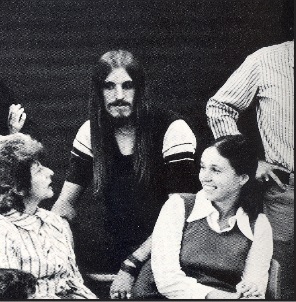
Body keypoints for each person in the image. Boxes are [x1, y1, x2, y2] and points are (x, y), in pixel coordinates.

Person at [51, 49, 198, 298]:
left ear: (139, 89)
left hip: (166, 251)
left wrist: (130, 266)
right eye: (109, 87)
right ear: (98, 92)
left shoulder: (173, 129)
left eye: (127, 86)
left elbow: (180, 216)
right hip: (114, 251)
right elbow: (64, 206)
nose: (119, 96)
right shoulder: (90, 132)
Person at [206, 41, 294, 298]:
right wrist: (249, 162)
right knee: (279, 282)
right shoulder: (266, 60)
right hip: (285, 195)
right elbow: (219, 107)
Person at [137, 135, 272, 299]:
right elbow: (167, 280)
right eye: (202, 167)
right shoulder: (178, 206)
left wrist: (249, 291)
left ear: (242, 178)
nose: (204, 177)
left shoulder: (259, 225)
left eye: (215, 170)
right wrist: (220, 296)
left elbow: (255, 288)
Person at [0, 133, 97, 299]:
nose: (50, 172)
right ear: (17, 187)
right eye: (38, 170)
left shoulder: (55, 222)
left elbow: (75, 281)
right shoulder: (4, 230)